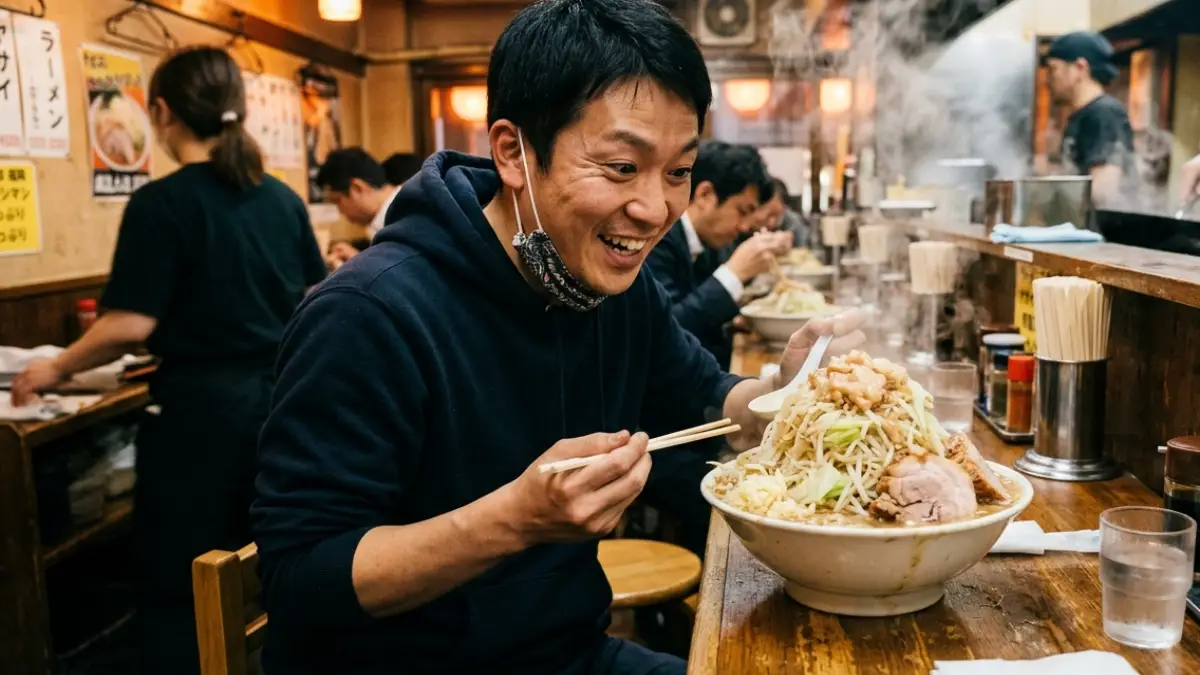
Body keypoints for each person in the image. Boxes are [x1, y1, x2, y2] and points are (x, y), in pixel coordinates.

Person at [250, 2, 864, 674]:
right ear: (514, 151)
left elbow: (710, 401)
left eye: (678, 171)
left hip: (568, 655)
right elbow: (302, 580)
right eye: (623, 167)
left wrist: (793, 390)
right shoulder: (368, 313)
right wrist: (516, 515)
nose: (655, 208)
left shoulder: (607, 290)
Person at [10, 46, 327, 675]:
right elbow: (314, 296)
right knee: (259, 565)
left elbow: (130, 325)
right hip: (279, 403)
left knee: (182, 581)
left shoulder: (163, 204)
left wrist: (55, 368)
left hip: (199, 418)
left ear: (161, 111)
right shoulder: (281, 201)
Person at [646, 141, 790, 369]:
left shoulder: (707, 242)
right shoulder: (658, 239)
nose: (745, 226)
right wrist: (734, 272)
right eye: (742, 211)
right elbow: (666, 331)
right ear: (705, 195)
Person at [1044, 31, 1135, 207]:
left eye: (1053, 69)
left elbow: (1103, 190)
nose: (1048, 80)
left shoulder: (1104, 113)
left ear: (1080, 68)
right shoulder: (1082, 115)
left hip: (1106, 231)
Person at [316, 147, 401, 239]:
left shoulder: (403, 217)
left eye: (338, 201)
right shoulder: (382, 222)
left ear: (357, 188)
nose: (340, 211)